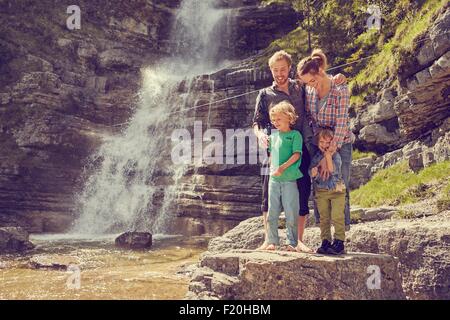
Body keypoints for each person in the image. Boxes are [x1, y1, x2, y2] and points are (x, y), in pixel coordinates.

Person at [252, 50, 346, 252]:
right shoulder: (265, 94)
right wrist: (260, 135)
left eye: (283, 69)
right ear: (271, 70)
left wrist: (338, 78)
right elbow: (257, 123)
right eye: (275, 70)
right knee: (269, 194)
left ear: (289, 68)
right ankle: (269, 239)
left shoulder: (299, 87)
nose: (279, 73)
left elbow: (318, 78)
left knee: (302, 191)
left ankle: (298, 241)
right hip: (274, 150)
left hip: (300, 147)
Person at [296, 49, 353, 230]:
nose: (311, 85)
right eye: (307, 83)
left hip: (340, 144)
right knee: (319, 186)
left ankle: (341, 234)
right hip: (318, 145)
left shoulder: (340, 89)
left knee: (339, 184)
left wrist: (328, 154)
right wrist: (319, 153)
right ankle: (324, 233)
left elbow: (342, 122)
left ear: (320, 71)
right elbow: (310, 119)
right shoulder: (309, 90)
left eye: (312, 80)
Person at [261, 101, 302, 251]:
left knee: (291, 212)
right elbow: (272, 155)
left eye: (278, 119)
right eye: (273, 120)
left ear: (289, 117)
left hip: (289, 180)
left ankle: (292, 242)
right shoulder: (274, 136)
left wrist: (282, 168)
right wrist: (273, 168)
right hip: (274, 180)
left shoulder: (295, 135)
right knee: (272, 212)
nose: (275, 123)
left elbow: (297, 155)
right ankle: (272, 241)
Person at [309, 129, 346, 255]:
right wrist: (313, 171)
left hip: (337, 190)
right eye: (322, 142)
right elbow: (313, 171)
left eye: (328, 142)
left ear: (333, 144)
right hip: (321, 191)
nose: (324, 145)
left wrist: (328, 156)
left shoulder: (336, 156)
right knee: (324, 217)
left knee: (337, 216)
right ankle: (325, 241)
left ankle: (339, 241)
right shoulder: (316, 156)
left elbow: (332, 170)